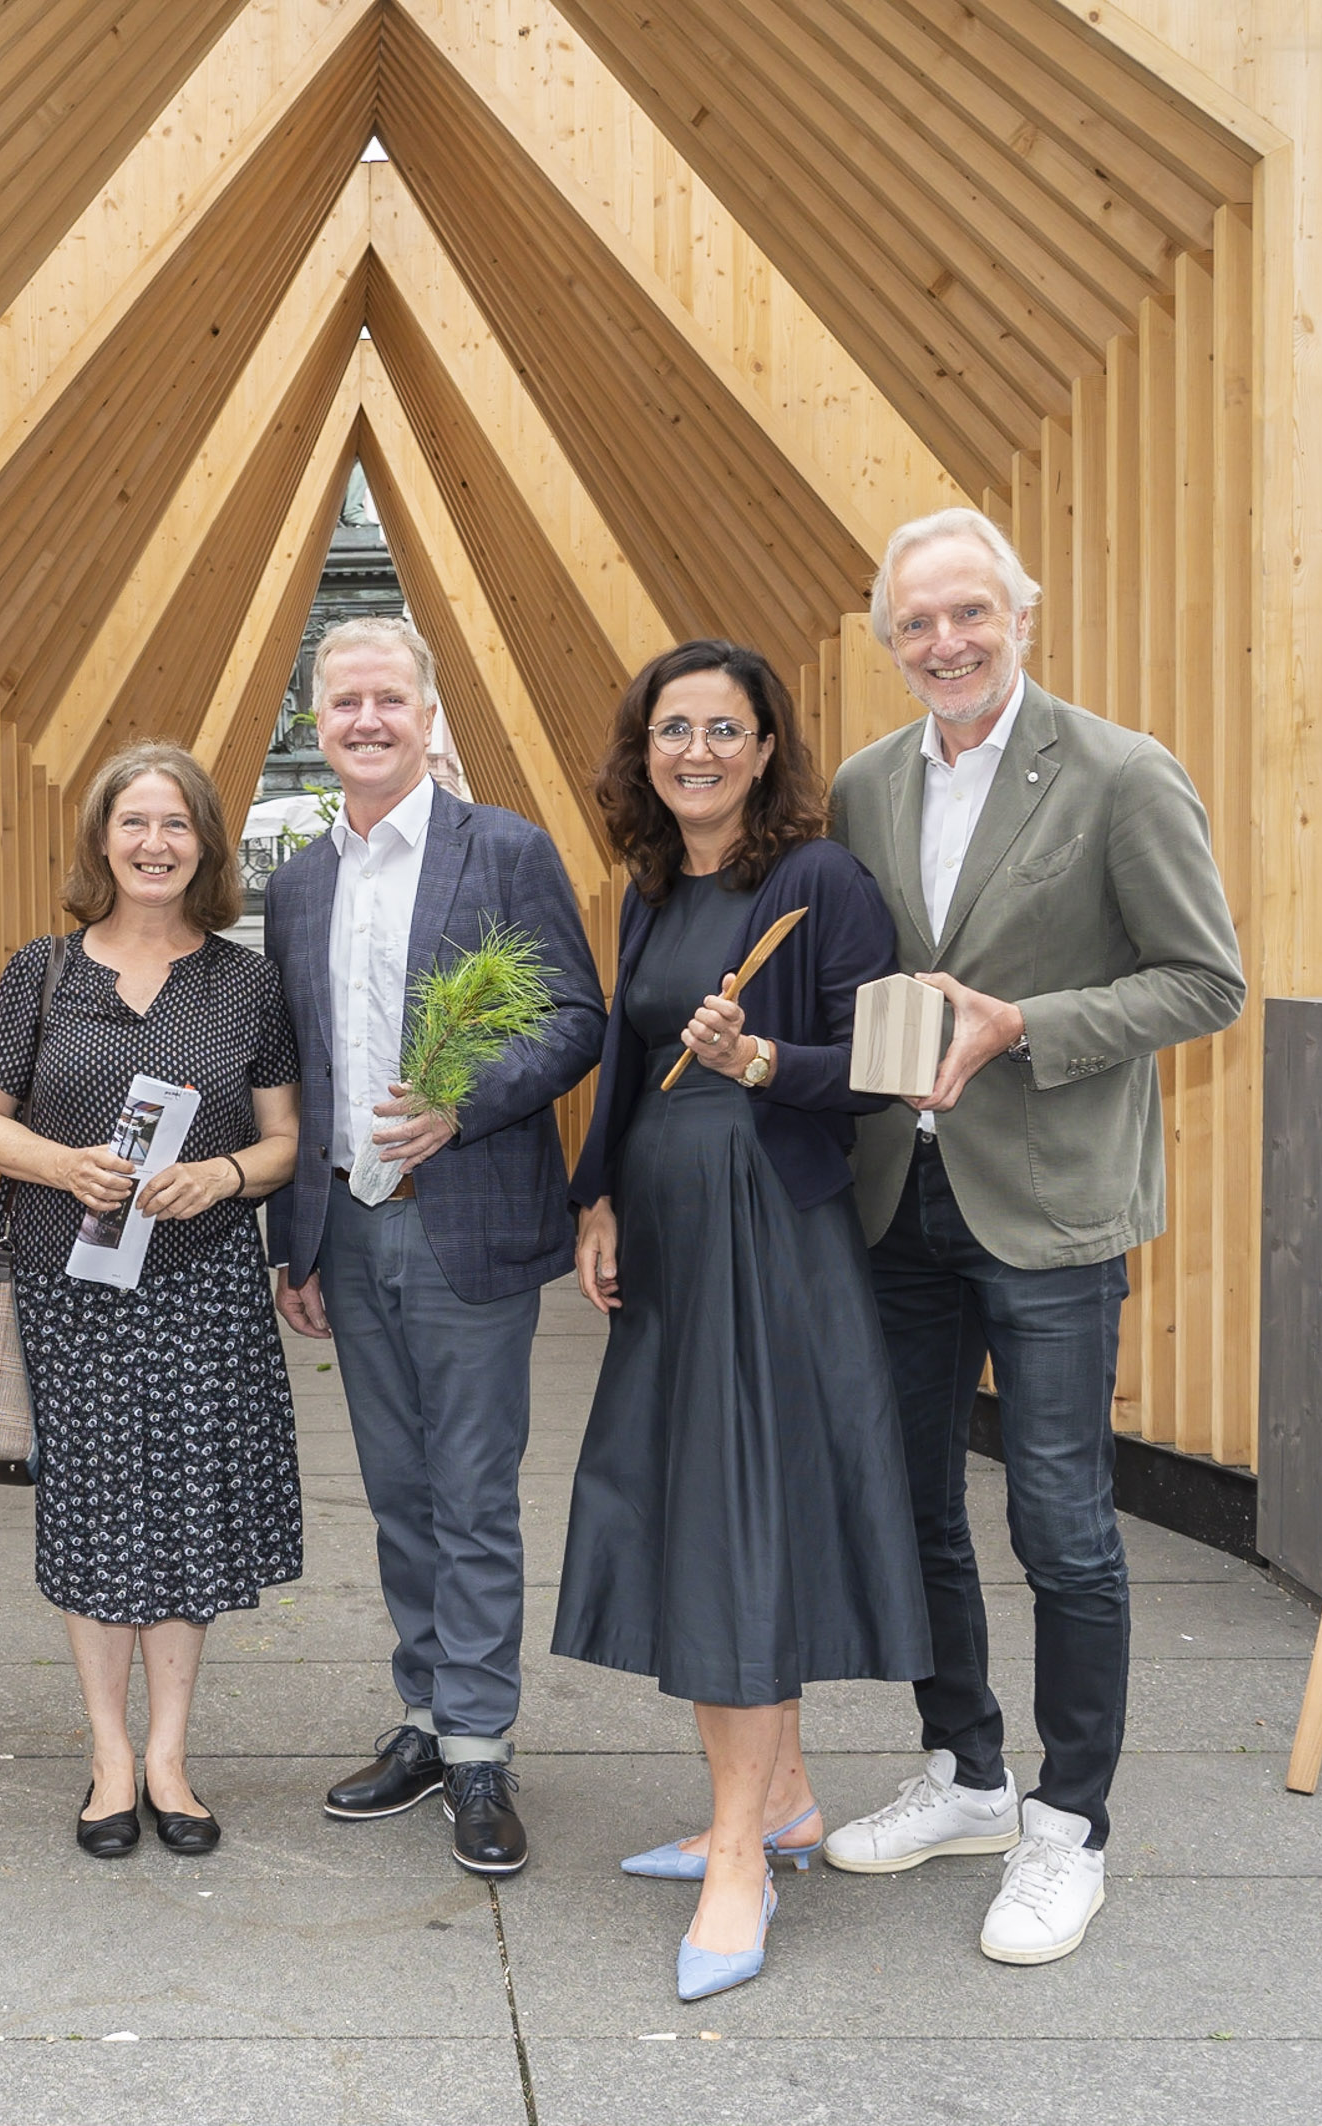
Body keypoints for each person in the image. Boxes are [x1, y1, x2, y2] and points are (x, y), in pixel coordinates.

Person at [823, 509, 1245, 1966]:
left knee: (1061, 1520)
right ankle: (966, 1774)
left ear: (1022, 613)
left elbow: (1202, 980)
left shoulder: (1121, 773)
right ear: (888, 643)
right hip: (899, 1197)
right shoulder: (864, 784)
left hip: (1052, 1202)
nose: (944, 642)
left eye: (968, 614)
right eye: (915, 624)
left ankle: (1070, 1826)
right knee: (916, 1502)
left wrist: (1028, 1027)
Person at [558, 639, 931, 2000]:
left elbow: (887, 1067)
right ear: (642, 749)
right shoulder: (651, 885)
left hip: (769, 1244)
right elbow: (627, 1064)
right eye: (673, 728)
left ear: (769, 746)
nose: (697, 750)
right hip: (670, 1243)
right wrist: (596, 1201)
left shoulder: (820, 880)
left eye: (725, 727)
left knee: (735, 1528)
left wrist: (765, 1057)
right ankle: (780, 1803)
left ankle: (737, 1851)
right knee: (705, 1509)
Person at [265, 615, 607, 1878]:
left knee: (472, 1492)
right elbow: (295, 1066)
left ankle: (478, 1744)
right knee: (398, 1493)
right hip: (344, 1229)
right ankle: (422, 1712)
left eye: (387, 700)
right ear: (316, 721)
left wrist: (472, 1101)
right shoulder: (300, 883)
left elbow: (579, 1016)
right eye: (342, 700)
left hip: (464, 1219)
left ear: (426, 716)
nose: (364, 720)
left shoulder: (504, 849)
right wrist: (290, 1242)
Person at [0, 743, 304, 1860]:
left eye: (177, 825)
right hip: (76, 1287)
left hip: (202, 1286)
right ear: (102, 838)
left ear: (205, 845)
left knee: (189, 1516)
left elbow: (288, 1139)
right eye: (134, 822)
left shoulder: (244, 981)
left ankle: (169, 1754)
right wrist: (60, 1164)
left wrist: (226, 1173)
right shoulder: (42, 971)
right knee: (96, 1513)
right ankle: (109, 1752)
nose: (155, 843)